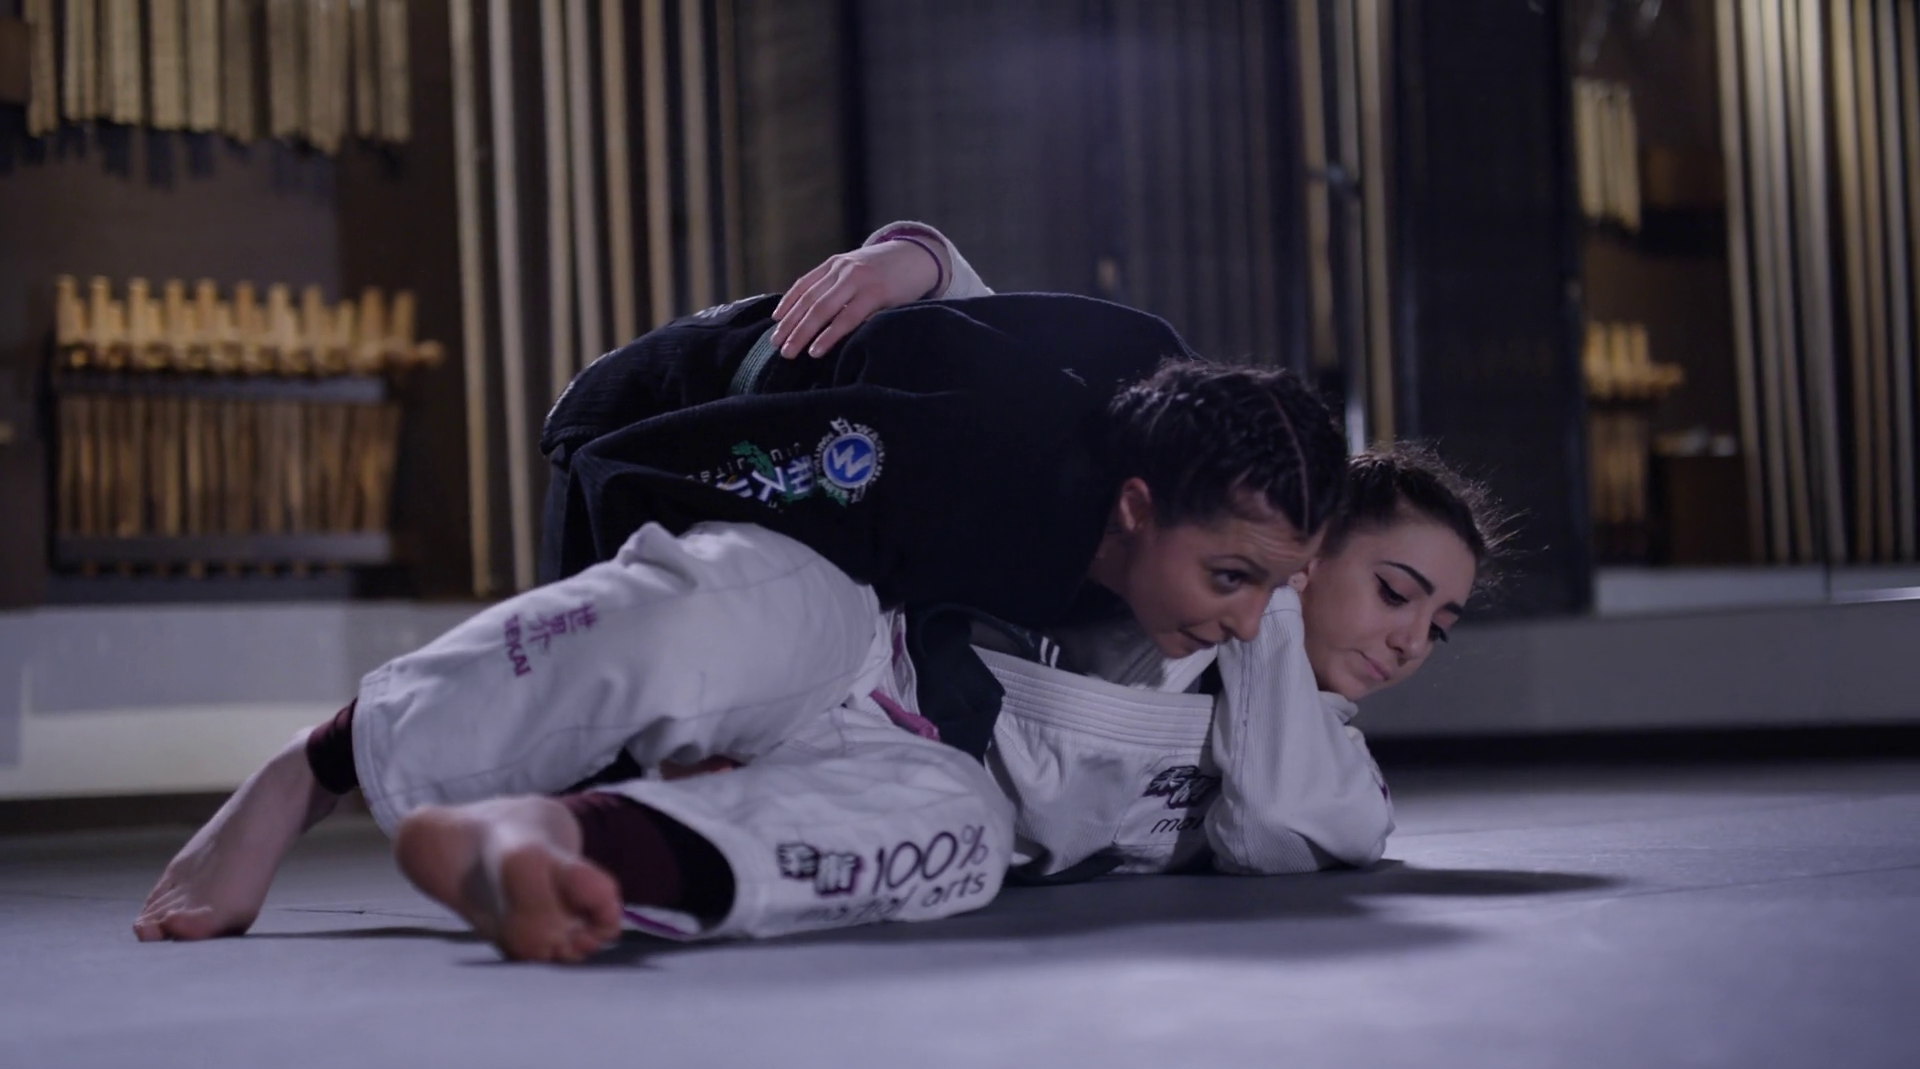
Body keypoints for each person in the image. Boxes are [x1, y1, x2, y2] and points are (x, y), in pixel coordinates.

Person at [134, 273, 1349, 961]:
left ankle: (563, 842)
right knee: (739, 608)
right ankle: (315, 765)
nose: (1251, 624)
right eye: (1231, 579)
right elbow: (637, 478)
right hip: (736, 513)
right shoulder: (968, 447)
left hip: (893, 699)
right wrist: (653, 733)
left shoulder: (1162, 441)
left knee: (959, 840)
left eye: (1276, 589)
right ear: (1134, 509)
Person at [751, 225, 1508, 881]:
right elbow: (1052, 395)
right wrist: (927, 262)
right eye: (1395, 593)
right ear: (1311, 545)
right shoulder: (1158, 584)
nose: (1412, 642)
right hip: (806, 654)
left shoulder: (1331, 759)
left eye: (1439, 627)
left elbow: (1275, 829)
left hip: (855, 816)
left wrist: (1271, 617)